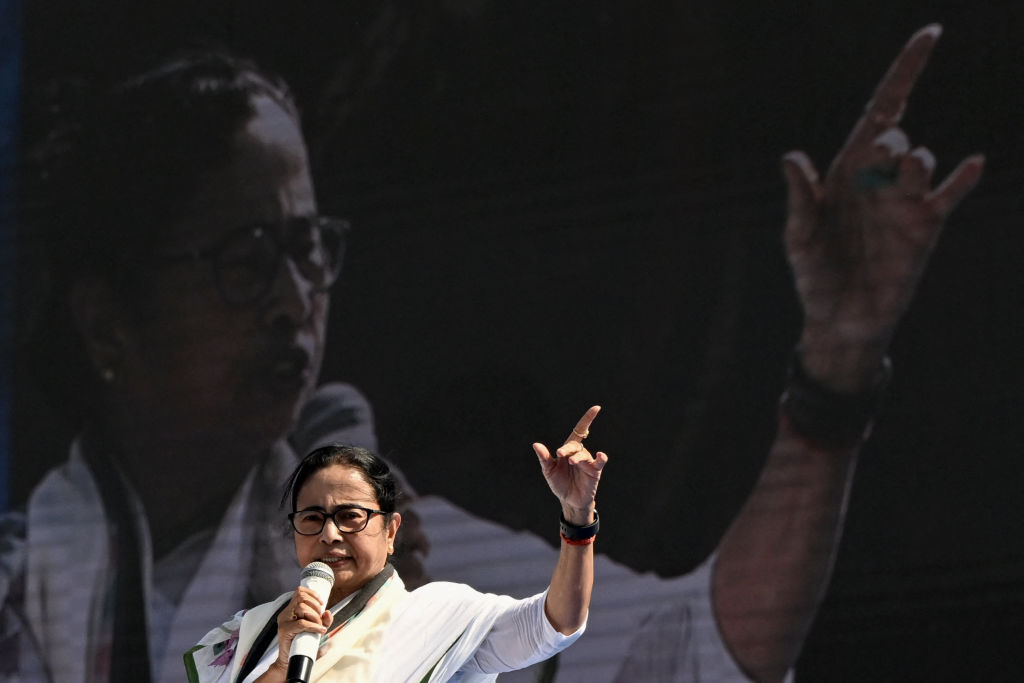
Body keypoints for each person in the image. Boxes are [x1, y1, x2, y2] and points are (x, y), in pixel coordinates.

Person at [0, 51, 425, 683]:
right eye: (246, 261)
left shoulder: (425, 565)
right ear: (107, 324)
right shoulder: (19, 598)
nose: (294, 301)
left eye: (305, 246)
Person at [185, 406, 607, 682]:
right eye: (312, 519)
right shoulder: (253, 632)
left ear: (390, 532)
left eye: (350, 516)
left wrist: (577, 517)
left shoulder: (441, 617)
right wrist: (280, 663)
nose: (330, 534)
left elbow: (556, 624)